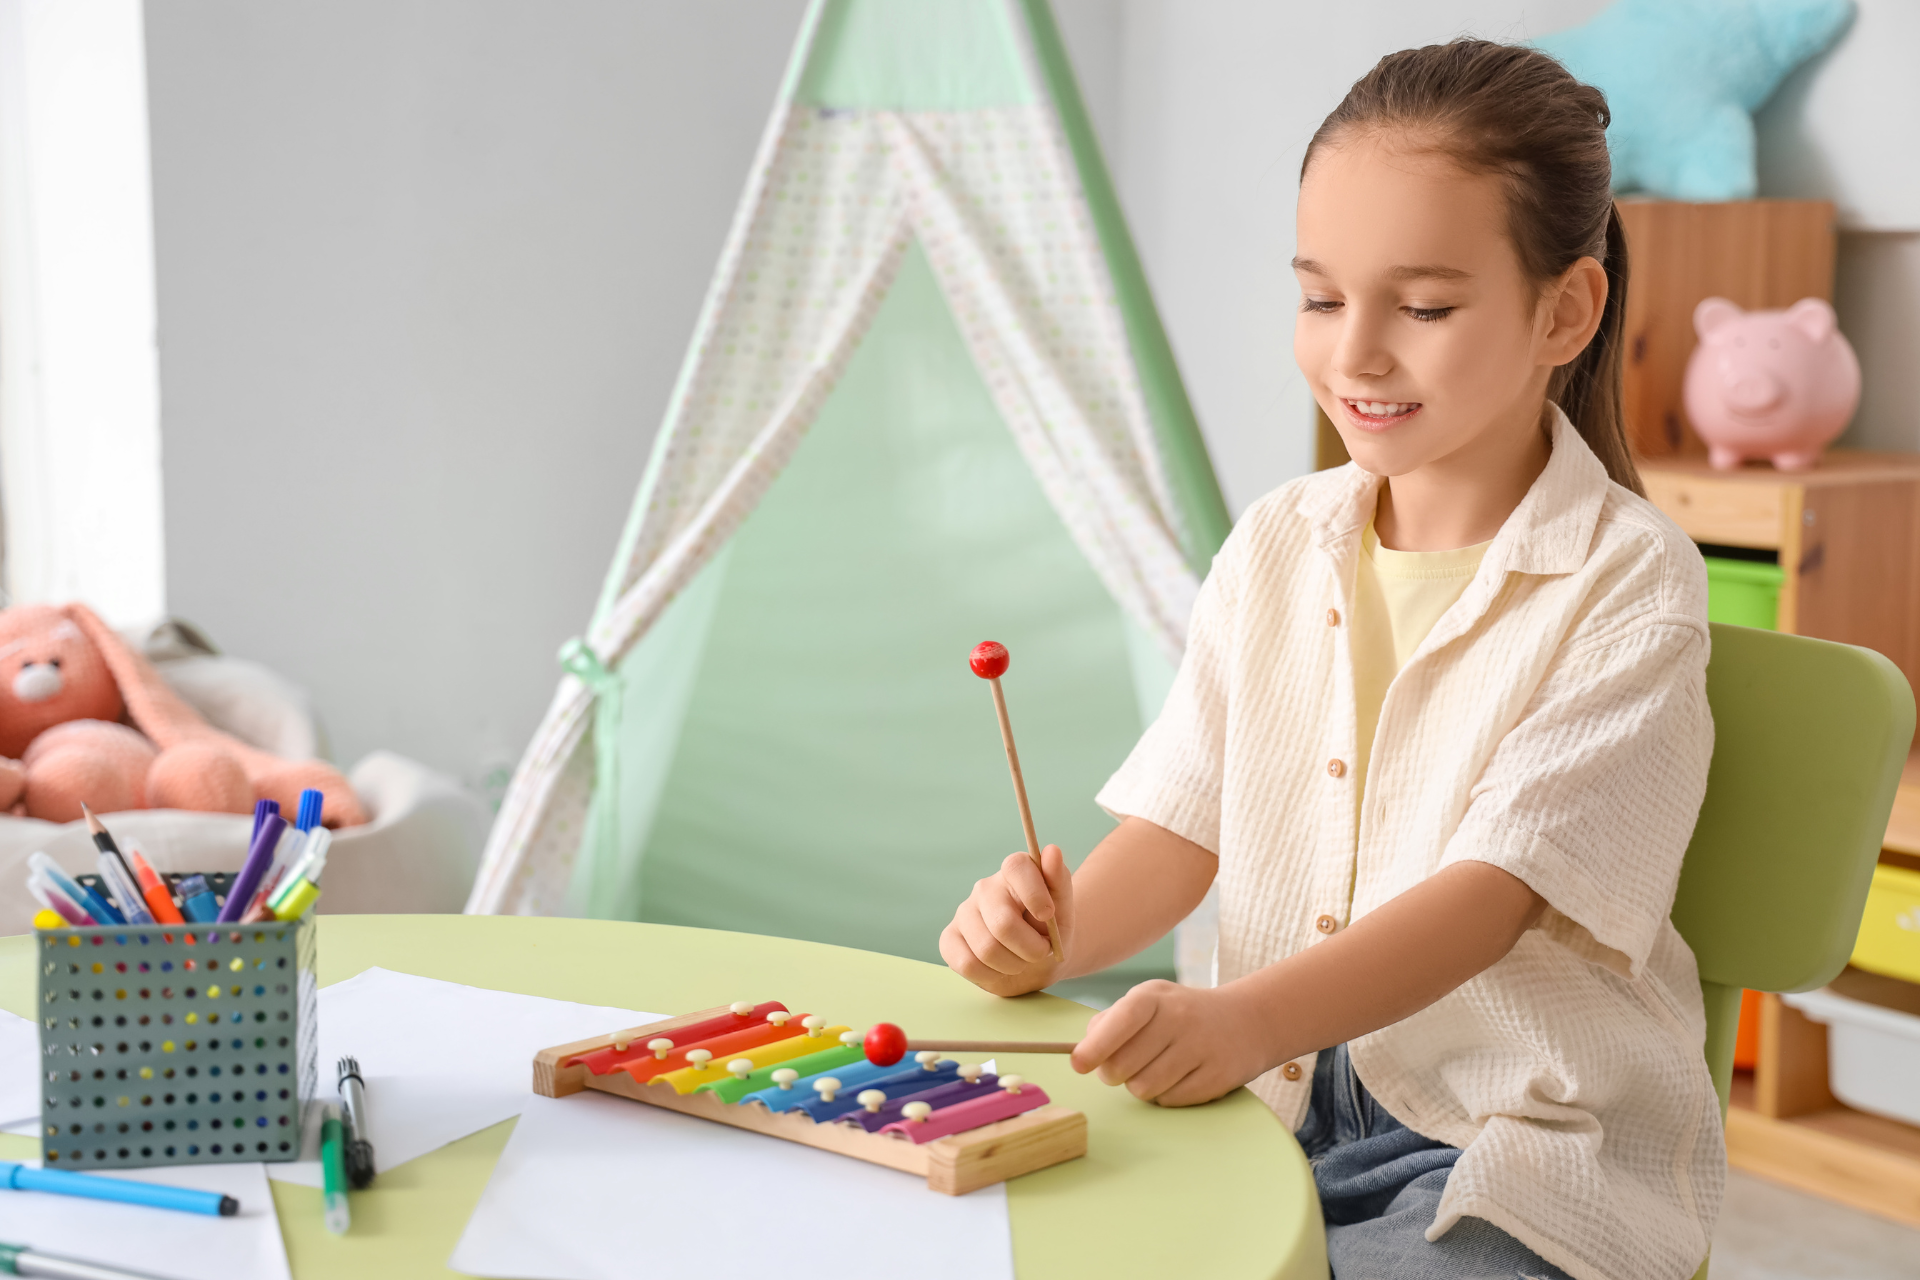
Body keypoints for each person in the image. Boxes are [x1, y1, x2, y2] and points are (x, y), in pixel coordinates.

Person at [939, 39, 1721, 1280]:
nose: (1355, 353)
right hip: (1264, 1102)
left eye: (1421, 307)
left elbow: (1492, 892)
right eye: (1319, 296)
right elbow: (1185, 824)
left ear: (1564, 310)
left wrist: (1249, 1016)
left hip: (1509, 1138)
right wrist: (1060, 931)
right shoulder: (1276, 544)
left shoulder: (1630, 581)